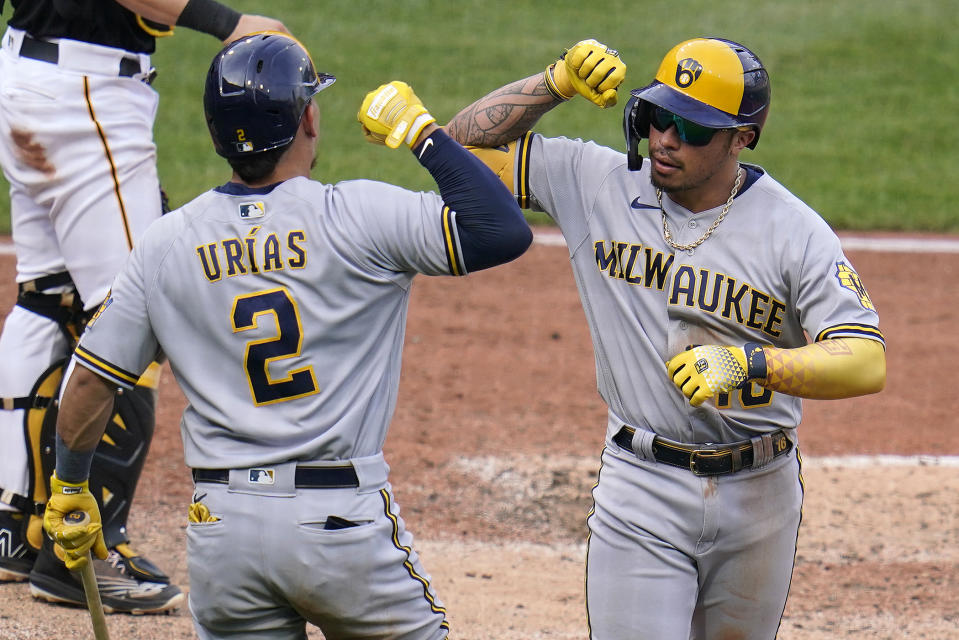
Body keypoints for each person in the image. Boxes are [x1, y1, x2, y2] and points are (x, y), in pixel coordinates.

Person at [42, 32, 530, 638]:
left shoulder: (165, 244)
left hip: (222, 535)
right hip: (341, 528)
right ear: (308, 120)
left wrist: (68, 485)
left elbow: (92, 378)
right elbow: (501, 230)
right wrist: (424, 135)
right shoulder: (357, 216)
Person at [446, 37, 886, 639]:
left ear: (741, 138)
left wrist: (751, 365)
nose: (665, 139)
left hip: (761, 496)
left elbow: (865, 361)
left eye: (692, 128)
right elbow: (459, 148)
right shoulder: (596, 184)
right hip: (641, 486)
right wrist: (557, 81)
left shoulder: (795, 232)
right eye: (657, 116)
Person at [0, 0, 290, 614]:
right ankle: (84, 551)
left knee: (47, 298)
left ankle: (16, 524)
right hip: (89, 94)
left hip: (27, 73)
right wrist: (227, 24)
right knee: (137, 315)